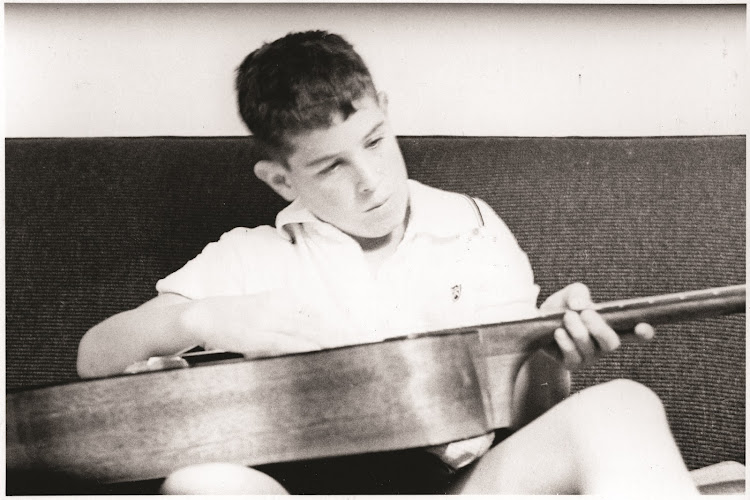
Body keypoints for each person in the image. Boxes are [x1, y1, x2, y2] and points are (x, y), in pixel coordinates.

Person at [77, 30, 698, 495]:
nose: (371, 181)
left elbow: (529, 413)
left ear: (387, 112)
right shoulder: (249, 256)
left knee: (623, 404)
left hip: (468, 484)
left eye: (375, 142)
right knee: (201, 481)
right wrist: (205, 319)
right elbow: (93, 359)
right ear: (280, 180)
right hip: (308, 489)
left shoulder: (472, 226)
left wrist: (549, 356)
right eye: (330, 168)